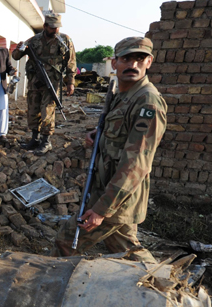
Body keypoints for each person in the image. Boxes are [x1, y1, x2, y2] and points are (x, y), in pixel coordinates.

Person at [52, 37, 167, 263]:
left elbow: (136, 164)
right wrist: (99, 136)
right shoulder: (124, 94)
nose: (133, 65)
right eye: (126, 59)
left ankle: (162, 285)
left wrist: (102, 209)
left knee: (67, 241)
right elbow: (120, 133)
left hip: (117, 197)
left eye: (139, 59)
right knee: (125, 250)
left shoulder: (147, 102)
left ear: (149, 62)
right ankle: (160, 285)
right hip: (111, 191)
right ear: (115, 63)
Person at [11, 12, 76, 155]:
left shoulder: (65, 40)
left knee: (47, 111)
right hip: (35, 82)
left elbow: (71, 63)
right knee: (33, 110)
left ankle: (46, 142)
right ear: (45, 26)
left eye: (57, 27)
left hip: (52, 83)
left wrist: (70, 82)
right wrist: (19, 48)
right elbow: (16, 56)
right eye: (52, 27)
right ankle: (34, 139)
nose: (56, 30)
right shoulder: (33, 40)